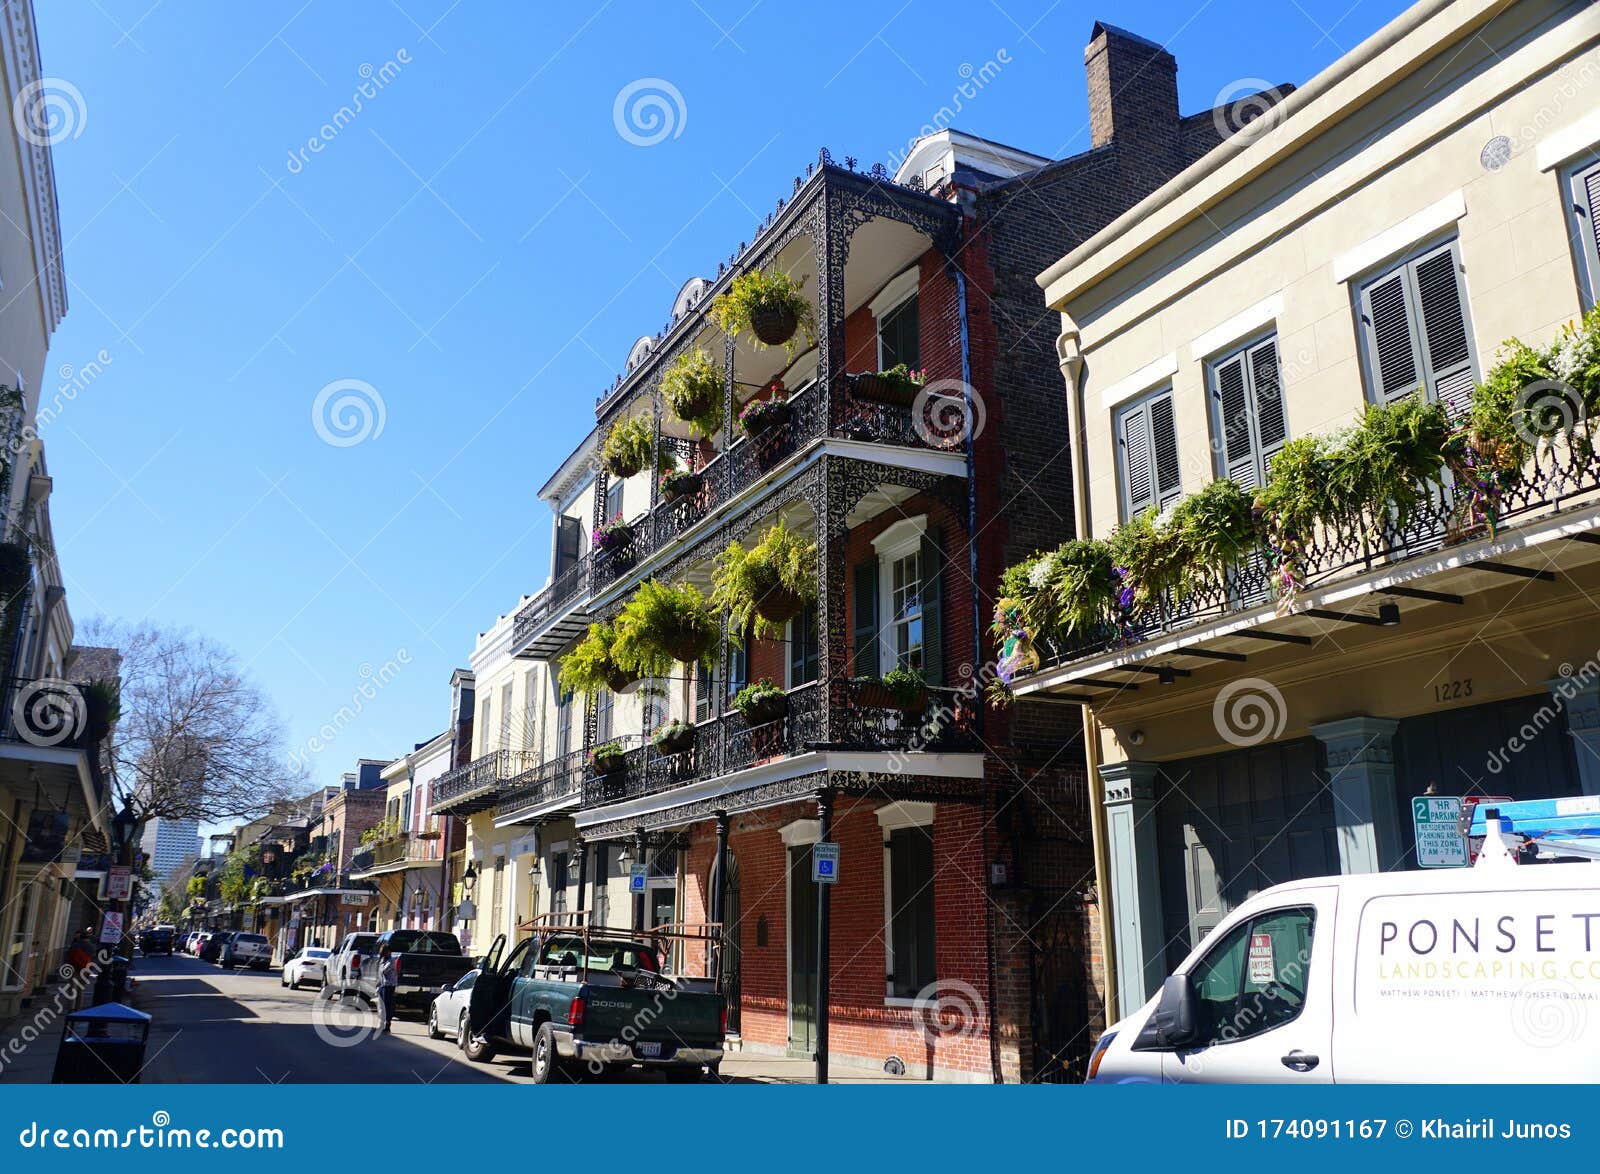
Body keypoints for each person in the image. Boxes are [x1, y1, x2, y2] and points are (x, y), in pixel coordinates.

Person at [376, 943, 398, 1033]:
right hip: (382, 985)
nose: (388, 953)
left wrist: (381, 962)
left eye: (388, 951)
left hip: (389, 985)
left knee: (387, 1005)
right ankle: (381, 1024)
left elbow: (384, 971)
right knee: (381, 1005)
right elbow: (379, 974)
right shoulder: (382, 960)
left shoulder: (391, 961)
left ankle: (387, 1024)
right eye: (385, 951)